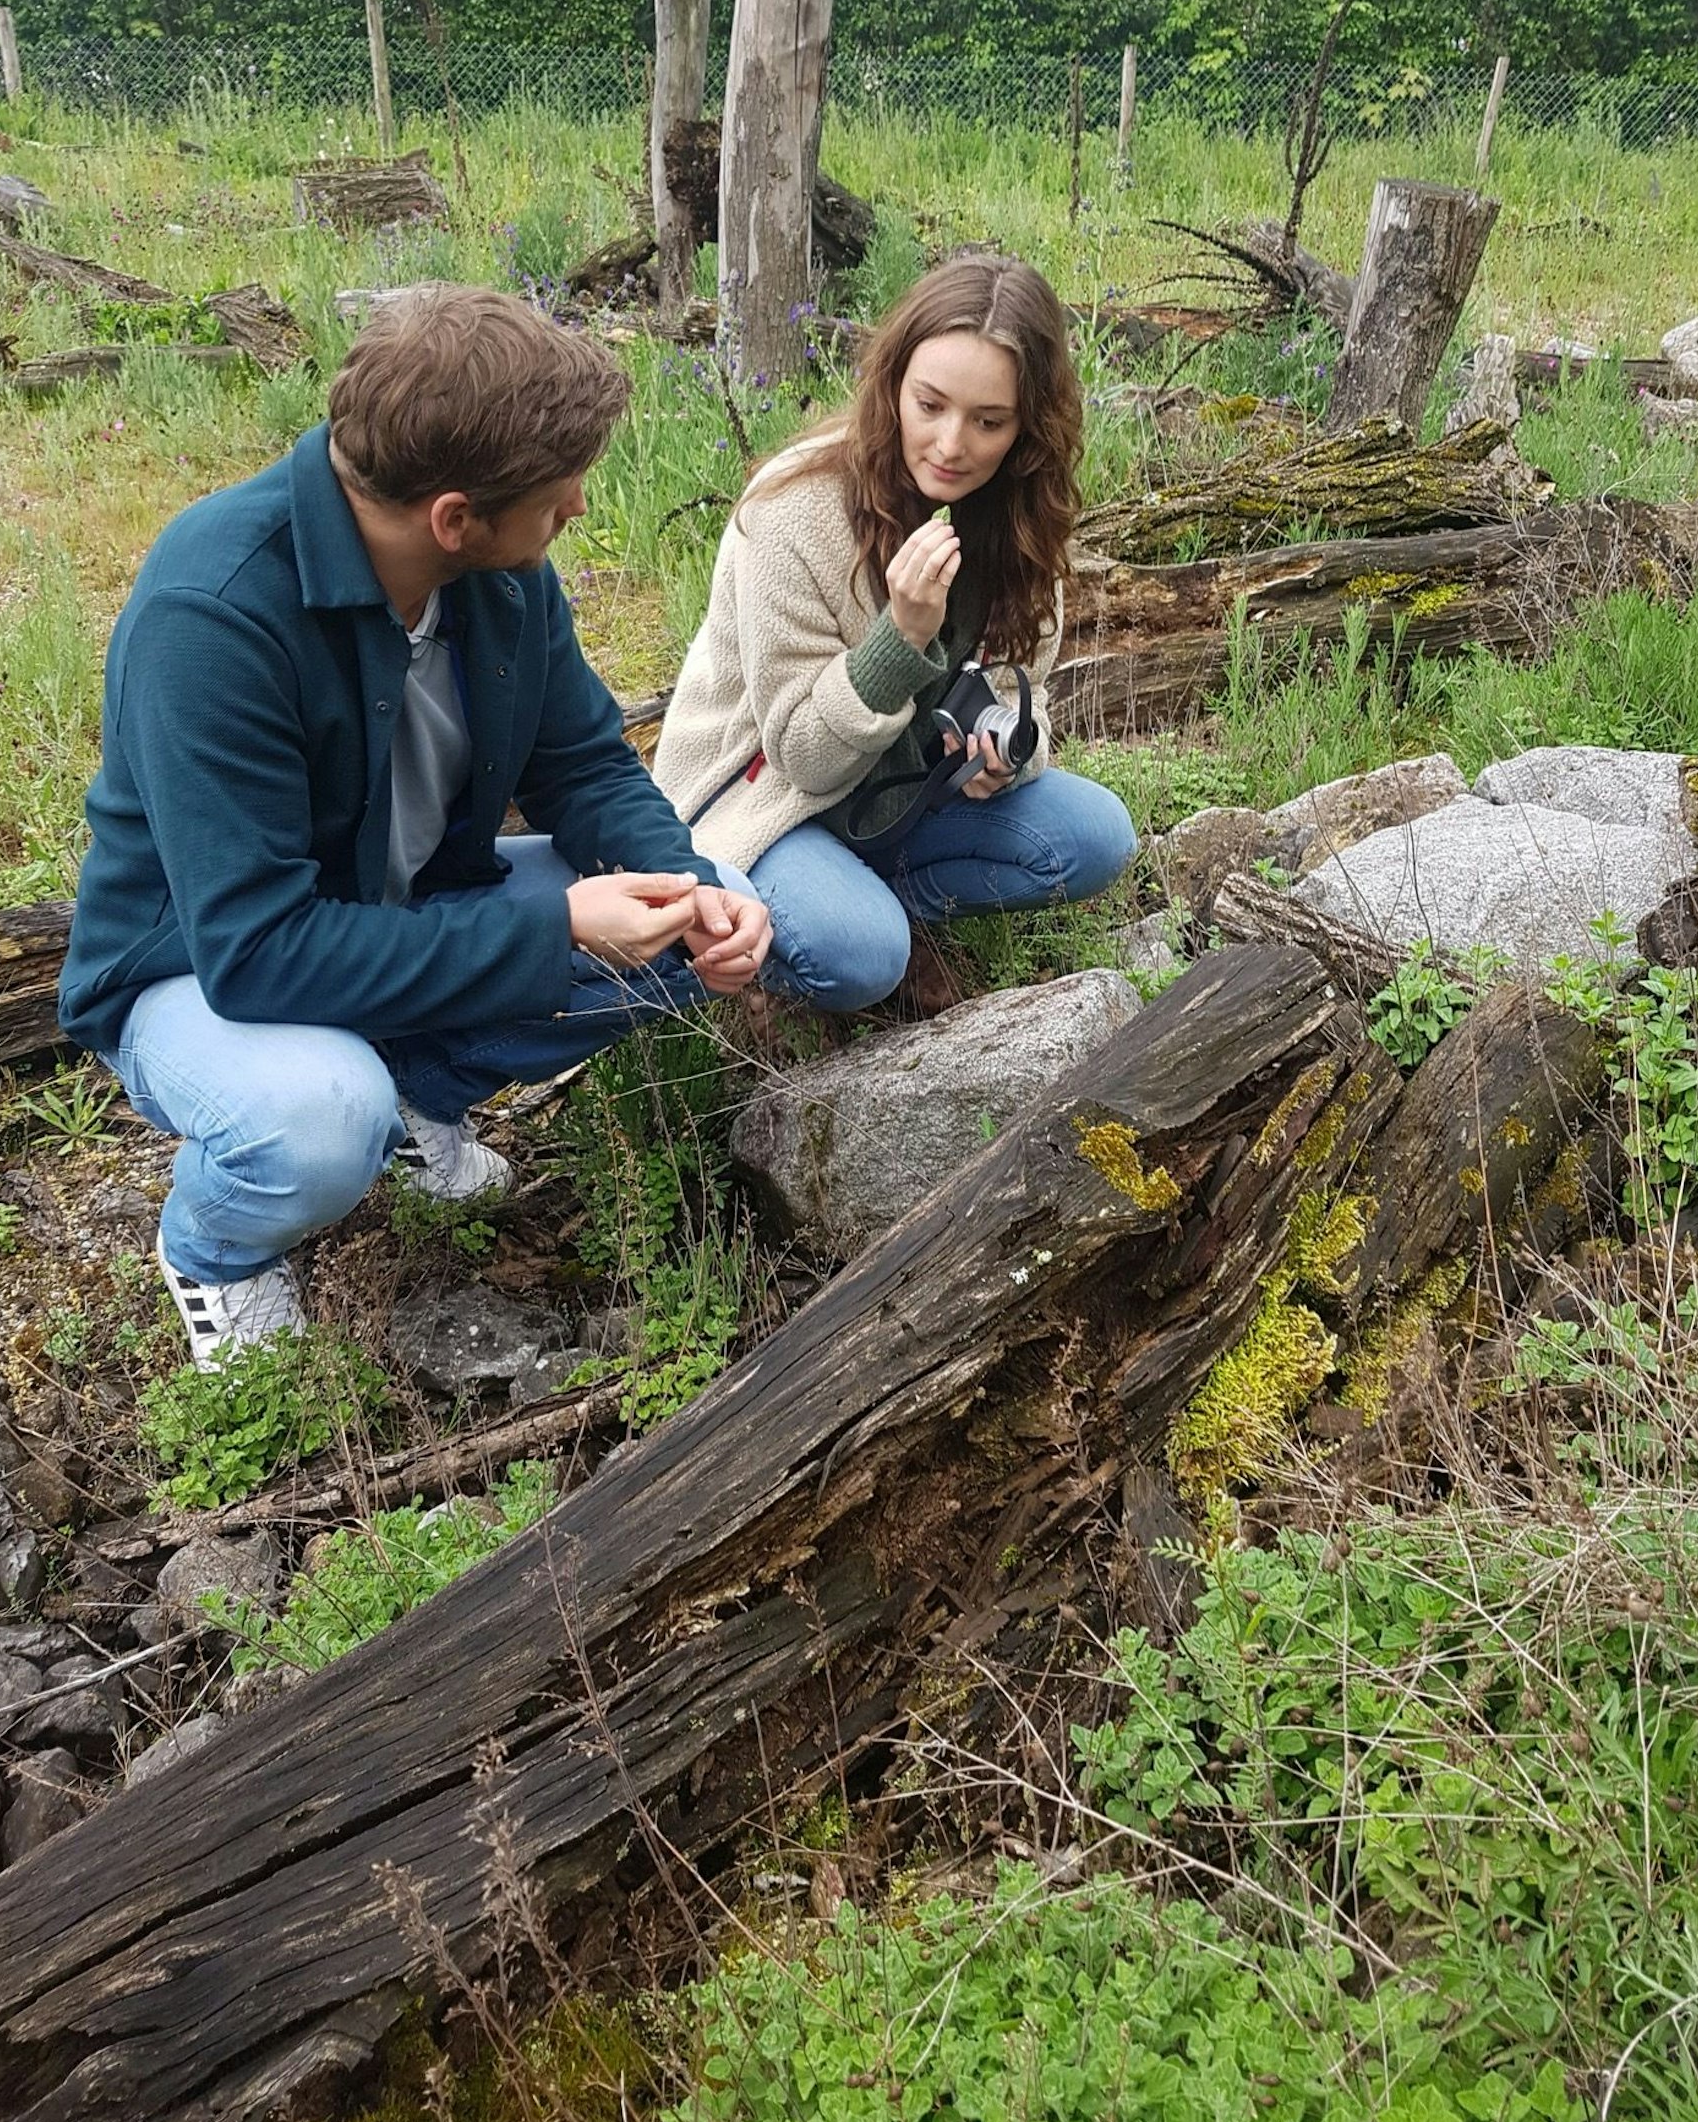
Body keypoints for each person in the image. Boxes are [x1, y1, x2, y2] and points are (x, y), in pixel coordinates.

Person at [59, 286, 771, 1366]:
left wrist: (682, 880)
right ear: (452, 517)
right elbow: (256, 953)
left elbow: (582, 764)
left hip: (389, 910)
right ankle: (216, 1250)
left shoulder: (504, 581)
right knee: (316, 1119)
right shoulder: (212, 614)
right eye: (558, 488)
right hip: (193, 968)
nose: (578, 504)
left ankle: (418, 1104)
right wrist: (558, 929)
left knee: (702, 908)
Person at [653, 255, 1136, 1012]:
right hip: (769, 800)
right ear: (894, 385)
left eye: (989, 421)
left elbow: (1025, 691)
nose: (952, 444)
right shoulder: (794, 511)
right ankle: (761, 926)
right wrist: (899, 639)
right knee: (862, 953)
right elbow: (802, 757)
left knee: (1098, 835)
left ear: (1027, 427)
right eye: (931, 405)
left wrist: (1007, 750)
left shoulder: (1019, 518)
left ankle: (882, 897)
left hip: (909, 797)